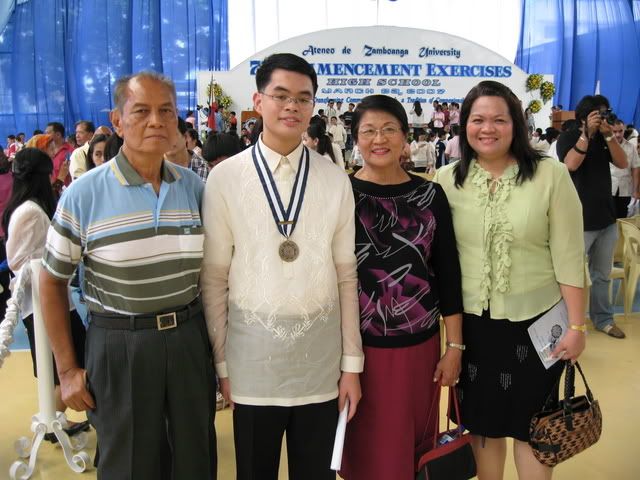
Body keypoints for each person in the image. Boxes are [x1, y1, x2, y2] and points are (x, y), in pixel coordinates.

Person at [39, 71, 217, 480]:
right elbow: (51, 282)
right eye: (141, 111)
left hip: (188, 340)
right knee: (129, 464)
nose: (156, 121)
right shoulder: (84, 194)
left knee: (195, 459)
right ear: (117, 121)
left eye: (166, 111)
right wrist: (67, 370)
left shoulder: (192, 187)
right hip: (121, 344)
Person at [201, 53, 363, 480]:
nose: (292, 106)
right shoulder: (225, 178)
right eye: (281, 95)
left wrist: (351, 365)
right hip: (252, 360)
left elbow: (346, 275)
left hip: (320, 362)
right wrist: (223, 365)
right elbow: (214, 278)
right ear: (258, 101)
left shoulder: (334, 179)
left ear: (314, 106)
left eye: (303, 98)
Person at [433, 80, 586, 480]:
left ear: (516, 124)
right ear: (464, 125)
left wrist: (576, 326)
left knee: (533, 425)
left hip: (537, 325)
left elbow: (570, 256)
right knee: (482, 425)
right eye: (478, 119)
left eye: (499, 119)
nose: (488, 128)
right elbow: (442, 259)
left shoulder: (550, 175)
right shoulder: (447, 179)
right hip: (474, 326)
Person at [340, 94, 463, 480]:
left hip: (417, 348)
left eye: (389, 129)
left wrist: (454, 347)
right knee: (365, 449)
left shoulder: (429, 195)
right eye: (369, 131)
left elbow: (448, 273)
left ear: (405, 135)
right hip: (356, 350)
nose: (379, 139)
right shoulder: (341, 195)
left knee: (411, 448)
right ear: (356, 139)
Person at [3, 148, 89, 441]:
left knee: (63, 364)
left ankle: (54, 420)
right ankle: (51, 422)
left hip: (48, 299)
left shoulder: (28, 206)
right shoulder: (30, 211)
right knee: (73, 360)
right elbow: (20, 261)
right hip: (44, 302)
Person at [557, 94, 628, 339]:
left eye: (605, 112)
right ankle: (567, 324)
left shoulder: (604, 139)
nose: (603, 117)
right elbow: (571, 164)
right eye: (599, 113)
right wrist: (586, 134)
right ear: (585, 116)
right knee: (571, 275)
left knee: (602, 275)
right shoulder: (568, 137)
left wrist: (609, 136)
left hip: (606, 218)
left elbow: (623, 163)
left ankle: (603, 320)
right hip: (579, 220)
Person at [610, 119, 640, 218]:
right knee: (608, 217)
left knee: (622, 216)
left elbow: (635, 169)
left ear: (624, 130)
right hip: (608, 187)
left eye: (620, 131)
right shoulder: (605, 145)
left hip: (625, 188)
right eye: (614, 131)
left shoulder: (631, 147)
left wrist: (635, 190)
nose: (618, 134)